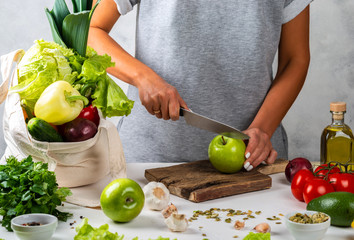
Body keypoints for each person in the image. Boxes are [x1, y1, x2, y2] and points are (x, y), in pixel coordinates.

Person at [88, 0, 311, 170]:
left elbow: (295, 59)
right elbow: (90, 31)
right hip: (149, 161)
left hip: (254, 159)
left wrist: (262, 129)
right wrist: (142, 77)